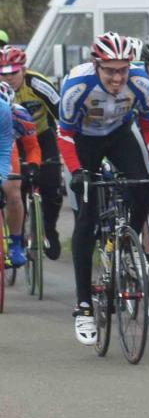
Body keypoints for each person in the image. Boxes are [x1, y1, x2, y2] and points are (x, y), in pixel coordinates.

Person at [59, 32, 149, 345]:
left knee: (143, 186)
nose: (118, 77)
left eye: (123, 69)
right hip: (83, 142)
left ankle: (127, 246)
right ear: (97, 65)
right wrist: (77, 171)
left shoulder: (140, 83)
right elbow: (63, 134)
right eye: (110, 71)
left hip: (119, 136)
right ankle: (83, 306)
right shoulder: (77, 87)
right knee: (87, 218)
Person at [0, 45, 65, 259]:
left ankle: (49, 229)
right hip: (9, 140)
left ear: (24, 70)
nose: (8, 78)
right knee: (17, 186)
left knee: (51, 183)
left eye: (13, 73)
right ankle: (17, 235)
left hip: (41, 135)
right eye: (3, 73)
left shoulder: (37, 84)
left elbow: (62, 113)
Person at [0, 81, 37, 266]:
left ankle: (15, 243)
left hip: (6, 148)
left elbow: (32, 147)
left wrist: (33, 165)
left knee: (13, 192)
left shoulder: (22, 116)